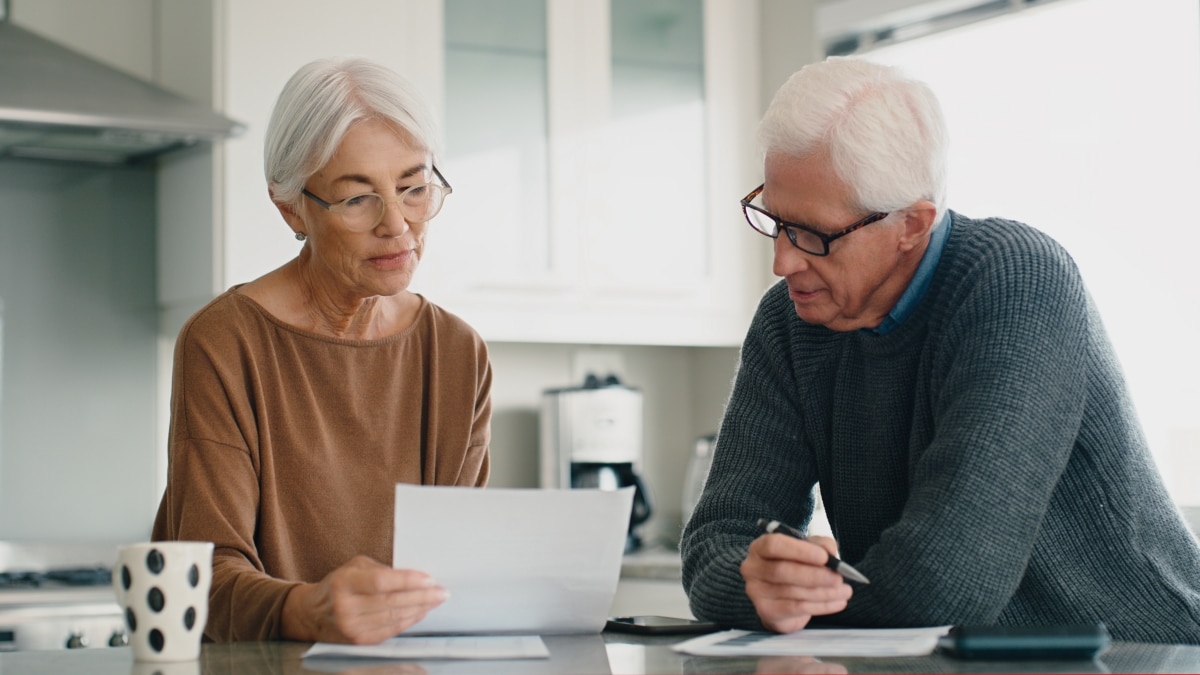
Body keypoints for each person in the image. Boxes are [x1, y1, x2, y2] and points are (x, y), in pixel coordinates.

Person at [680, 56, 1200, 644]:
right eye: (775, 221)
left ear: (912, 225)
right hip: (941, 656)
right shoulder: (790, 322)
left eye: (813, 235)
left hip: (1144, 653)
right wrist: (756, 583)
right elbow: (715, 543)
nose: (782, 262)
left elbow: (945, 583)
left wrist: (792, 608)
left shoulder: (1018, 280)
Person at [152, 57, 492, 644]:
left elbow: (459, 571)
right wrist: (307, 610)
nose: (398, 225)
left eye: (414, 188)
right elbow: (201, 579)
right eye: (359, 199)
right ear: (290, 207)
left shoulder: (457, 352)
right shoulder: (225, 341)